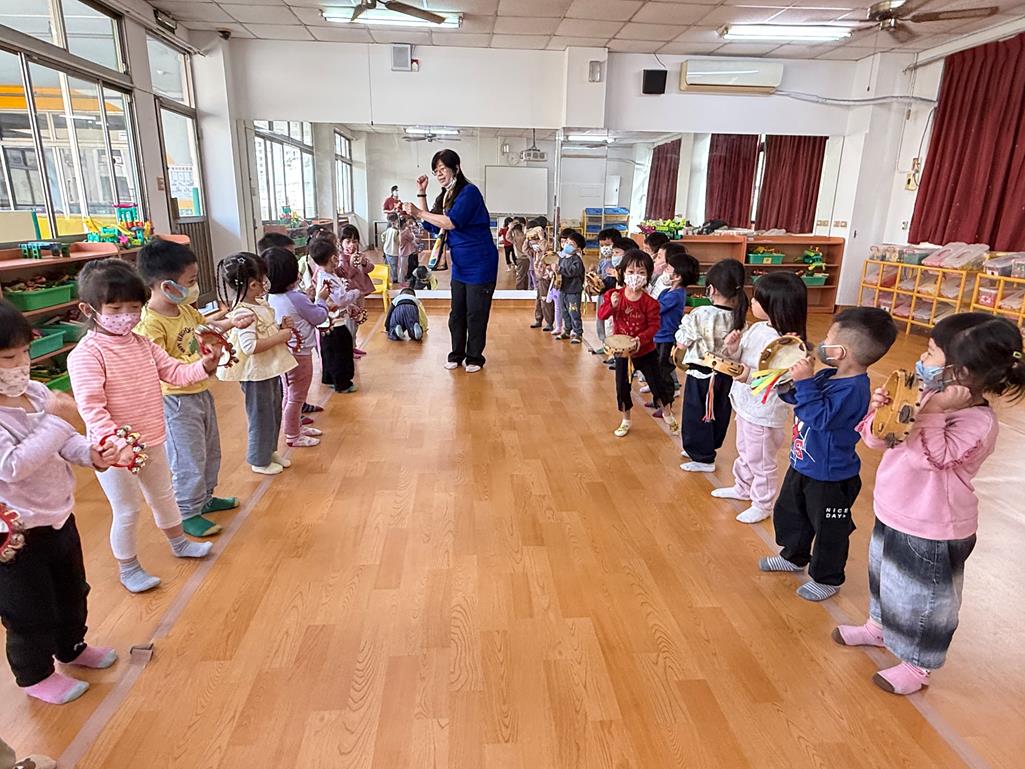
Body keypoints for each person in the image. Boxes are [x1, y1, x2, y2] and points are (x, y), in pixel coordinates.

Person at [835, 314, 1024, 694]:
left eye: (932, 352)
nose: (923, 358)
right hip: (894, 508)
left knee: (924, 599)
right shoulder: (922, 393)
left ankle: (918, 664)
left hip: (934, 525)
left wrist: (930, 413)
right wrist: (882, 412)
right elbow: (877, 440)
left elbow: (933, 459)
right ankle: (878, 626)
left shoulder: (978, 422)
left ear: (961, 371)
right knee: (885, 577)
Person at [67, 260, 217, 594]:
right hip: (113, 451)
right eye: (115, 308)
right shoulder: (86, 355)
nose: (126, 315)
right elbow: (91, 408)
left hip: (151, 438)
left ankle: (179, 542)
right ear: (89, 309)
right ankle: (129, 567)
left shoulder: (142, 344)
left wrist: (204, 365)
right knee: (127, 509)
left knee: (164, 495)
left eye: (134, 308)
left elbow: (175, 372)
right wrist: (115, 442)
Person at [0, 301, 120, 705]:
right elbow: (12, 467)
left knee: (73, 590)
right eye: (8, 358)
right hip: (14, 534)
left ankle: (71, 646)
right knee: (28, 608)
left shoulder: (35, 393)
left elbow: (64, 441)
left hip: (57, 515)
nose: (21, 364)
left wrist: (91, 454)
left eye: (25, 352)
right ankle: (34, 674)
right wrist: (58, 420)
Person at [759, 307, 898, 602]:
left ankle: (828, 578)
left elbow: (819, 417)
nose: (822, 343)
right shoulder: (826, 376)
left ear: (842, 352)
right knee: (791, 514)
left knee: (829, 530)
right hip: (803, 464)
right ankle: (794, 556)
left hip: (831, 478)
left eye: (828, 339)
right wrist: (789, 366)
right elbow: (794, 397)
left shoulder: (855, 390)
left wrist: (805, 382)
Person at [136, 238, 245, 539]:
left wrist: (232, 322)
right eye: (191, 281)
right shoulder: (150, 324)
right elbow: (161, 367)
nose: (195, 287)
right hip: (175, 402)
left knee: (209, 450)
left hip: (200, 391)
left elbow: (206, 328)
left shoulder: (183, 309)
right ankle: (186, 510)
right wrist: (201, 360)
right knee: (187, 457)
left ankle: (204, 498)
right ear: (166, 285)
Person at [715, 273, 808, 524]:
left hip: (764, 414)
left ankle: (762, 503)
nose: (752, 302)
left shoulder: (789, 344)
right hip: (746, 406)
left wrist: (747, 376)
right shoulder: (758, 328)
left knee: (762, 460)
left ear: (776, 305)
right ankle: (742, 487)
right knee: (745, 451)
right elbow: (741, 359)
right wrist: (733, 349)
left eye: (758, 299)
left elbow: (778, 380)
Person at [403, 149, 499, 373]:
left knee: (476, 314)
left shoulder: (469, 192)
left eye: (442, 169)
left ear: (456, 168)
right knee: (457, 314)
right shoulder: (446, 195)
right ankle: (456, 355)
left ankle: (474, 358)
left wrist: (418, 212)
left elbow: (451, 222)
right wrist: (421, 193)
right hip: (461, 265)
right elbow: (431, 224)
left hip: (481, 263)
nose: (439, 174)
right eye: (436, 171)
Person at [216, 252, 297, 476]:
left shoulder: (260, 303)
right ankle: (259, 459)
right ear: (253, 284)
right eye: (263, 278)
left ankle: (269, 451)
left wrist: (280, 328)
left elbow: (264, 333)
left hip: (268, 369)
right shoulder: (244, 312)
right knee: (260, 416)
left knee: (273, 411)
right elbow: (250, 347)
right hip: (255, 374)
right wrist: (281, 337)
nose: (266, 282)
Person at [675, 258, 749, 472]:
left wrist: (681, 342)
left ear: (712, 289)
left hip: (701, 374)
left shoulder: (701, 313)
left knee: (696, 414)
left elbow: (683, 340)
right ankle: (705, 447)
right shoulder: (741, 319)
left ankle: (703, 457)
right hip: (726, 375)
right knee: (718, 412)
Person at [598, 249, 675, 438]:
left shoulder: (650, 303)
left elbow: (654, 326)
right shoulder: (614, 295)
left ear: (648, 275)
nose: (635, 276)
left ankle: (668, 414)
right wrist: (612, 305)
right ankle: (626, 419)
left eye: (641, 272)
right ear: (623, 273)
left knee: (657, 385)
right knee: (622, 387)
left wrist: (640, 339)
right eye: (631, 272)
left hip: (645, 351)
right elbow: (602, 315)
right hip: (623, 352)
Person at [265, 247, 328, 449]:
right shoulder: (295, 297)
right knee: (297, 396)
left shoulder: (271, 297)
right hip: (300, 354)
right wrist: (321, 300)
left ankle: (294, 427)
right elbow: (319, 317)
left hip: (285, 352)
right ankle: (293, 434)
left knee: (290, 393)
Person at [653, 250, 700, 433]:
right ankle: (660, 401)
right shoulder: (667, 291)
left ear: (678, 276)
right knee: (657, 370)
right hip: (658, 335)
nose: (666, 271)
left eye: (669, 269)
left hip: (667, 338)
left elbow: (656, 308)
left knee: (664, 371)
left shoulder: (677, 294)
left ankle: (667, 403)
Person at [309, 238, 360, 394]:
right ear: (333, 258)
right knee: (341, 352)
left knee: (329, 351)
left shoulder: (324, 274)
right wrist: (355, 293)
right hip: (335, 323)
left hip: (326, 322)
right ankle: (342, 383)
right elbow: (341, 299)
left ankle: (329, 378)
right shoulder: (328, 278)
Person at [337, 224, 375, 357]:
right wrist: (352, 263)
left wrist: (364, 263)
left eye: (355, 241)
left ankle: (353, 346)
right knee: (350, 322)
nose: (352, 245)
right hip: (349, 294)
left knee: (357, 320)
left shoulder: (359, 254)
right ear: (340, 242)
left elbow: (370, 268)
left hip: (360, 293)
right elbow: (346, 274)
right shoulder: (341, 258)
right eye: (348, 241)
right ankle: (347, 349)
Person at [555, 231, 586, 344]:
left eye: (571, 244)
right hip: (563, 289)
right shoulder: (562, 258)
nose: (567, 245)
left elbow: (573, 271)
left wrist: (560, 269)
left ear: (578, 249)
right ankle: (567, 330)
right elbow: (559, 274)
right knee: (564, 311)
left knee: (574, 312)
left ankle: (578, 333)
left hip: (573, 291)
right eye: (567, 242)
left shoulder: (577, 260)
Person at [531, 230, 555, 332]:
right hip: (539, 277)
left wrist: (541, 238)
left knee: (545, 300)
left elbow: (545, 247)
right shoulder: (536, 251)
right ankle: (538, 319)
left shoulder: (548, 248)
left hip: (546, 278)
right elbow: (525, 249)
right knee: (539, 300)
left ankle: (549, 322)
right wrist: (527, 239)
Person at [381, 213, 402, 284]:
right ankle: (395, 279)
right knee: (394, 266)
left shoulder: (388, 229)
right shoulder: (396, 232)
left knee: (387, 264)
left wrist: (384, 240)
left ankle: (386, 277)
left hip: (386, 249)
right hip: (393, 251)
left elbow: (382, 235)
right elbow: (397, 241)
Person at [400, 216, 420, 284]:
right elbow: (412, 238)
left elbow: (414, 240)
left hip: (411, 250)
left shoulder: (407, 231)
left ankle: (412, 278)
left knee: (412, 264)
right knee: (407, 266)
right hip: (407, 251)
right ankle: (406, 279)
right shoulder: (405, 232)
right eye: (409, 222)